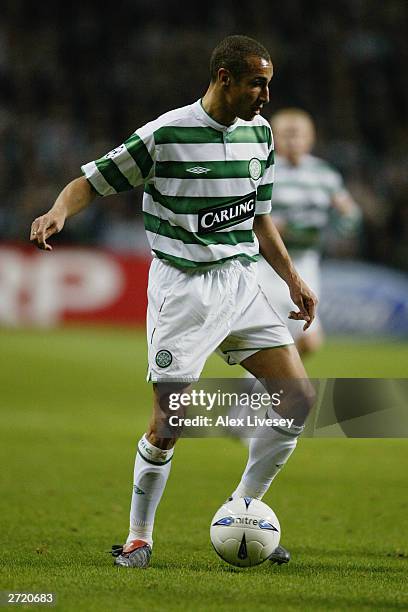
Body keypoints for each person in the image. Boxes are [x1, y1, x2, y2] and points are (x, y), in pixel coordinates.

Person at [30, 35, 317, 569]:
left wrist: (293, 279)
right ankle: (139, 538)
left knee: (296, 400)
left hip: (242, 279)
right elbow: (89, 181)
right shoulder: (166, 133)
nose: (266, 96)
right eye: (258, 83)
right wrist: (57, 212)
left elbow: (258, 217)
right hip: (184, 290)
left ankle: (244, 508)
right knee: (170, 424)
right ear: (224, 78)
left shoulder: (260, 134)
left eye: (269, 84)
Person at [260, 108, 361, 356]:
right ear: (274, 137)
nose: (293, 141)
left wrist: (343, 224)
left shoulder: (324, 175)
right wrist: (272, 227)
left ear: (311, 138)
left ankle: (253, 387)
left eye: (299, 135)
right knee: (276, 337)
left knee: (308, 342)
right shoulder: (264, 171)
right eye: (286, 135)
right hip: (268, 265)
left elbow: (350, 215)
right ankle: (260, 389)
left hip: (306, 263)